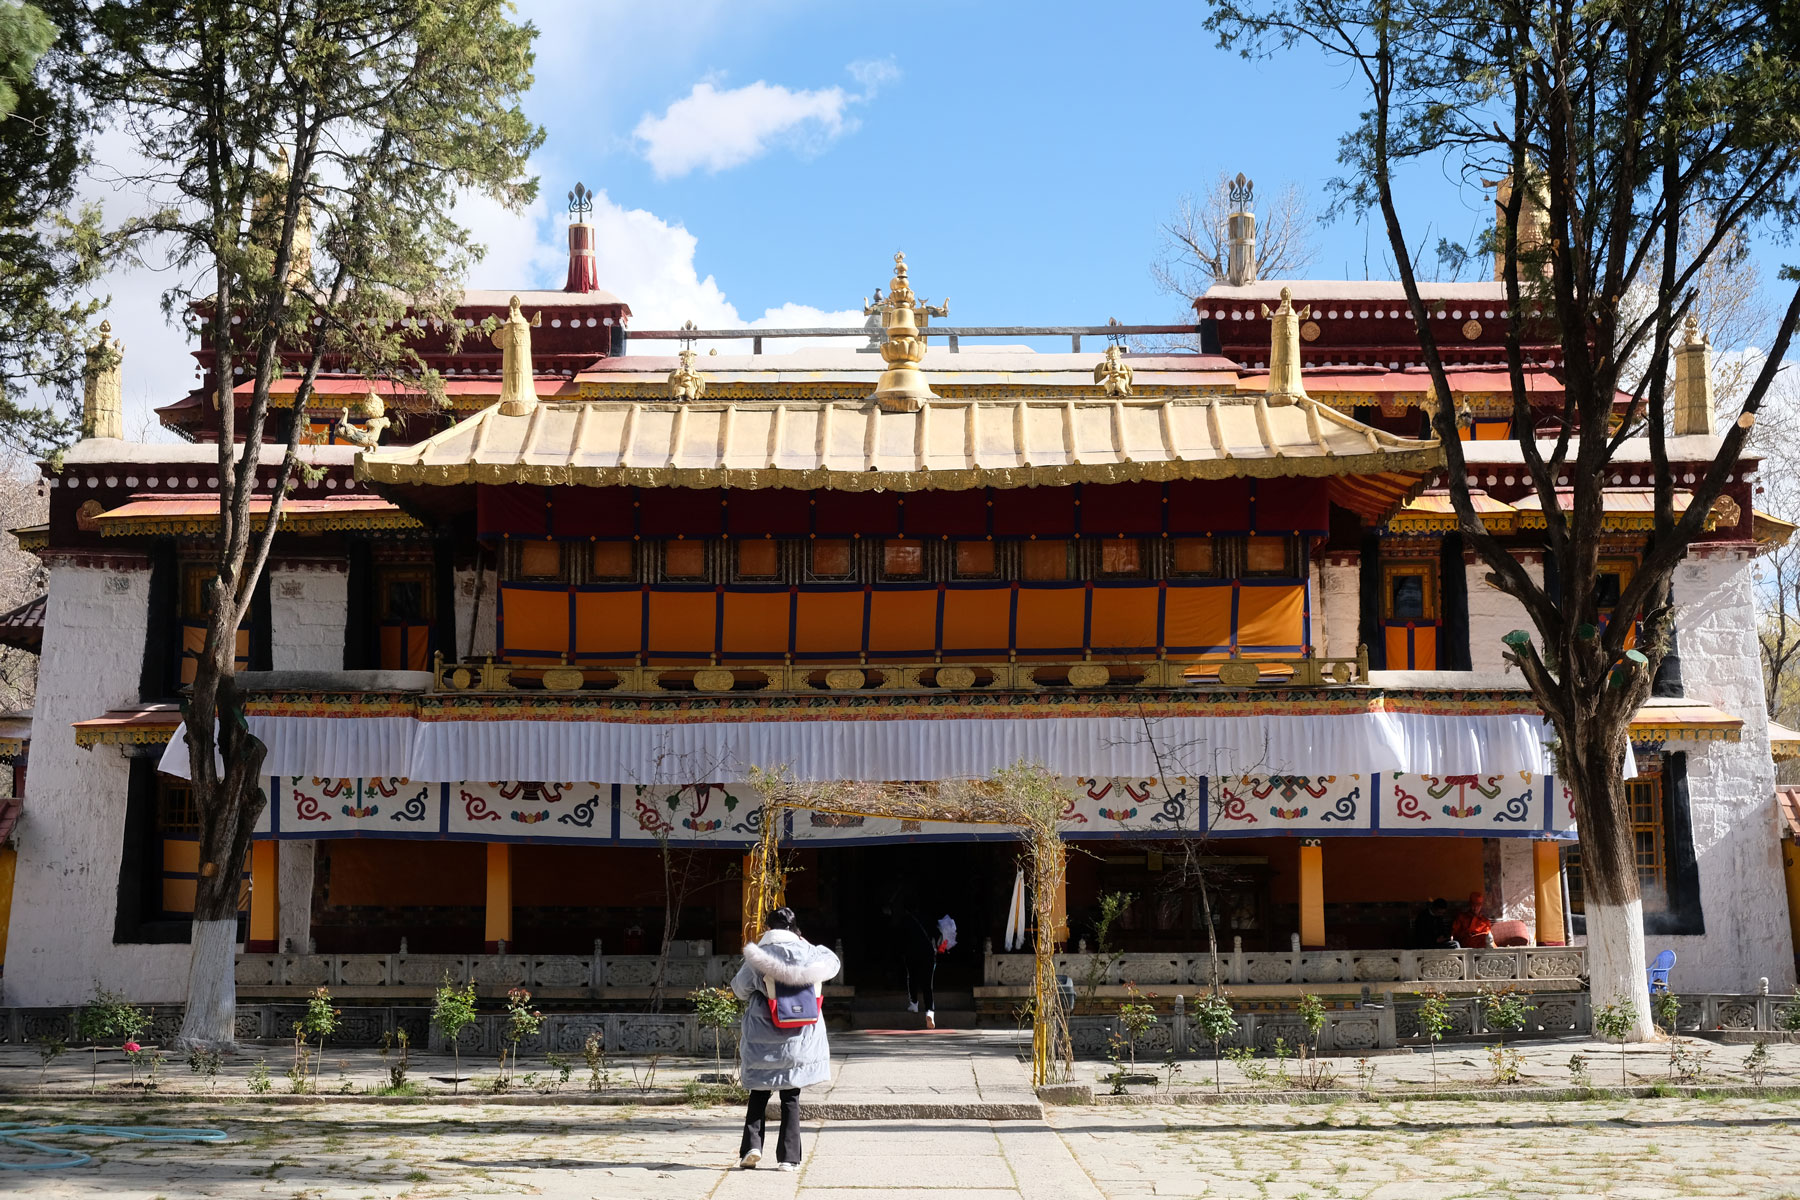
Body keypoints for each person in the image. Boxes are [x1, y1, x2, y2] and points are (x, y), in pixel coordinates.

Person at [731, 906, 840, 1171]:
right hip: (800, 1039)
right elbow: (832, 964)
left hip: (762, 1040)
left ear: (768, 928)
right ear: (795, 929)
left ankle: (752, 1148)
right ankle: (789, 1159)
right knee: (791, 1097)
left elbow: (739, 989)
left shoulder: (758, 956)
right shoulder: (811, 953)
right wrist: (805, 942)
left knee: (758, 1093)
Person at [903, 912, 956, 1029]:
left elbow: (903, 939)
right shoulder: (930, 921)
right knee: (927, 985)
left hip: (912, 953)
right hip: (928, 954)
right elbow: (939, 938)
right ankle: (930, 1013)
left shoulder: (907, 920)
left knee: (912, 977)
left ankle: (914, 1004)